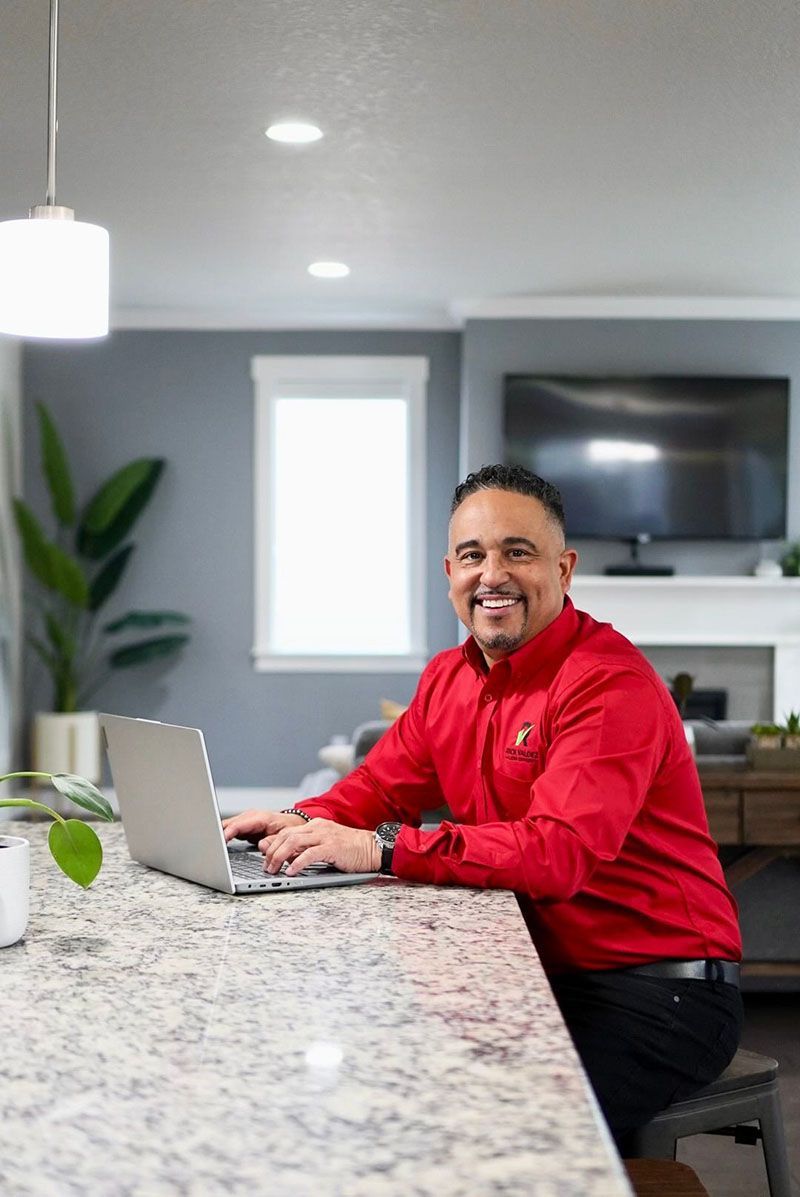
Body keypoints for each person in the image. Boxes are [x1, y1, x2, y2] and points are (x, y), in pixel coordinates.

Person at [223, 463, 743, 1150]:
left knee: (496, 1133)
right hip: (538, 972)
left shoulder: (608, 683)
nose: (491, 573)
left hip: (661, 990)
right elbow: (377, 788)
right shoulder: (449, 677)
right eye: (473, 555)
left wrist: (383, 847)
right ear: (450, 573)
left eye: (517, 552)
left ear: (564, 568)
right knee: (393, 1088)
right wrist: (300, 818)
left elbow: (555, 855)